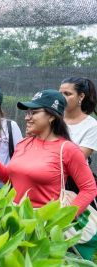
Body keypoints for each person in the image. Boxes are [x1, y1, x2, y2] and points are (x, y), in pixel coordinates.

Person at [0, 89, 96, 216]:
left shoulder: (68, 149)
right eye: (27, 113)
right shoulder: (23, 144)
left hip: (44, 223)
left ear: (52, 116)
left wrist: (65, 218)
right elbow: (11, 181)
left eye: (34, 113)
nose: (27, 117)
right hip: (15, 217)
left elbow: (89, 189)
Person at [59, 77, 97, 259]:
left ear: (81, 97)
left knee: (78, 236)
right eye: (60, 93)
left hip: (75, 184)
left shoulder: (91, 125)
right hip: (49, 180)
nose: (62, 97)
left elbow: (78, 157)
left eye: (67, 94)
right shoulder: (54, 118)